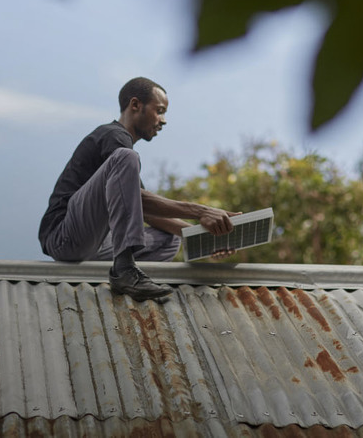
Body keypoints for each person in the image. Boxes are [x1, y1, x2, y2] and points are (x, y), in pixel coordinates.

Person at [39, 77, 237, 301]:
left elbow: (147, 212)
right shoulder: (113, 136)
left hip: (97, 245)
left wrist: (207, 238)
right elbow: (141, 200)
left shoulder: (122, 163)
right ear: (135, 105)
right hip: (64, 236)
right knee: (126, 157)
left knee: (170, 237)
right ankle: (124, 270)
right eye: (159, 111)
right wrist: (201, 212)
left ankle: (131, 278)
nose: (163, 121)